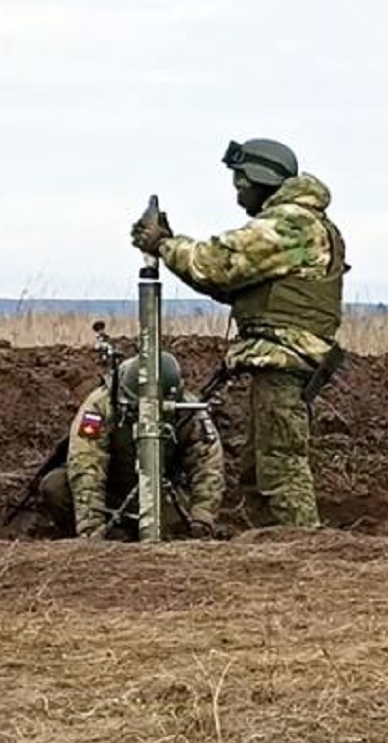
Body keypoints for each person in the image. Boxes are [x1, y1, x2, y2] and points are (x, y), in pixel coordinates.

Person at [130, 138, 346, 529]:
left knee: (279, 466)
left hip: (286, 358)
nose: (237, 191)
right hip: (285, 358)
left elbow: (215, 263)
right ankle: (275, 546)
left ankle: (303, 549)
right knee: (260, 467)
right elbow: (228, 284)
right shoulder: (302, 224)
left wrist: (163, 243)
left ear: (263, 180)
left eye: (241, 182)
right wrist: (171, 247)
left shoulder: (290, 224)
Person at [39, 352, 224, 540]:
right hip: (111, 492)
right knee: (55, 487)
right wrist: (91, 526)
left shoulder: (187, 410)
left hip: (161, 492)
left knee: (176, 533)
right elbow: (86, 464)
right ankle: (113, 536)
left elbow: (208, 466)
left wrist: (202, 518)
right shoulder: (100, 405)